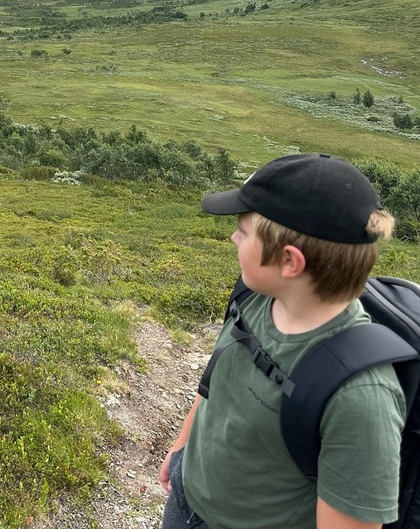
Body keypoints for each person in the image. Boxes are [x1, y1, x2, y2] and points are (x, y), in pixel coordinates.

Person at [159, 153, 405, 529]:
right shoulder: (255, 296)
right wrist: (182, 451)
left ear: (290, 262)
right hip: (186, 499)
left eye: (243, 231)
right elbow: (217, 381)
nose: (232, 237)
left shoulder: (361, 396)